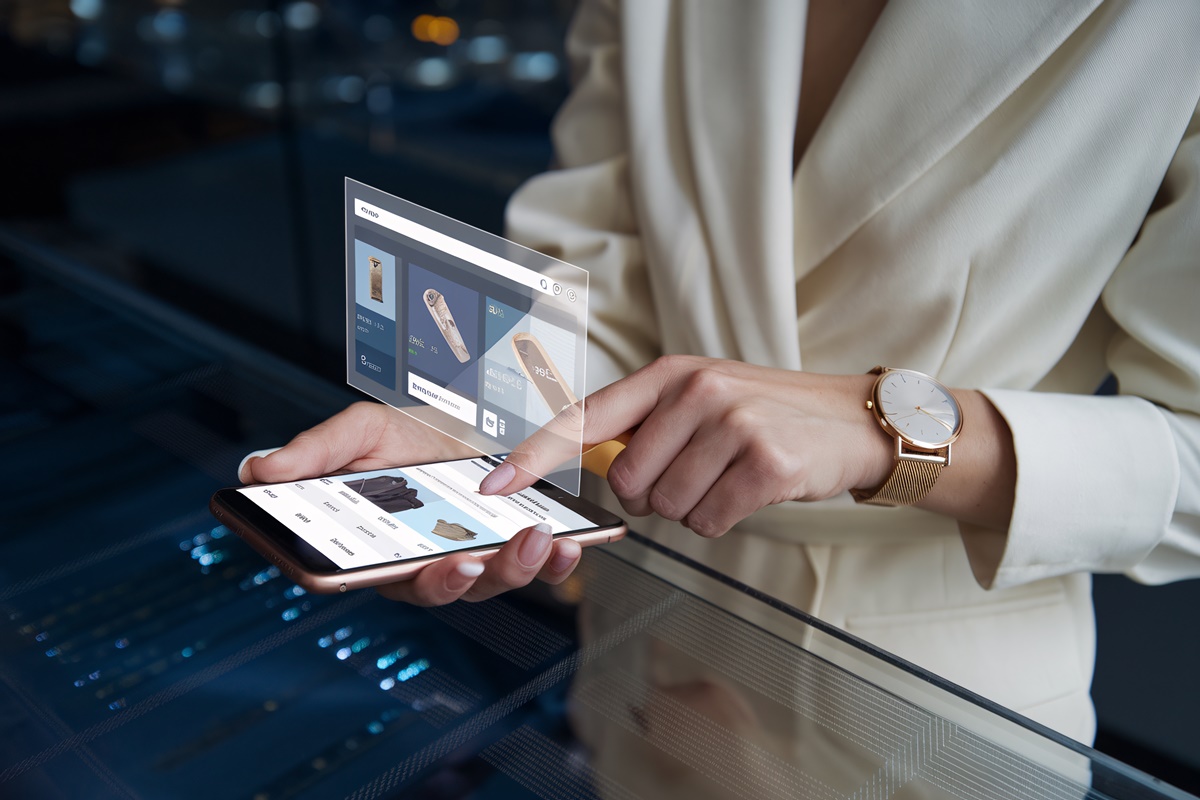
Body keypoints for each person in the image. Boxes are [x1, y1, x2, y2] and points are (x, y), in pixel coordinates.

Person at [244, 0, 1200, 742]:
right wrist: (469, 425)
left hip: (933, 707)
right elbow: (609, 271)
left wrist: (882, 432)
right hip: (647, 622)